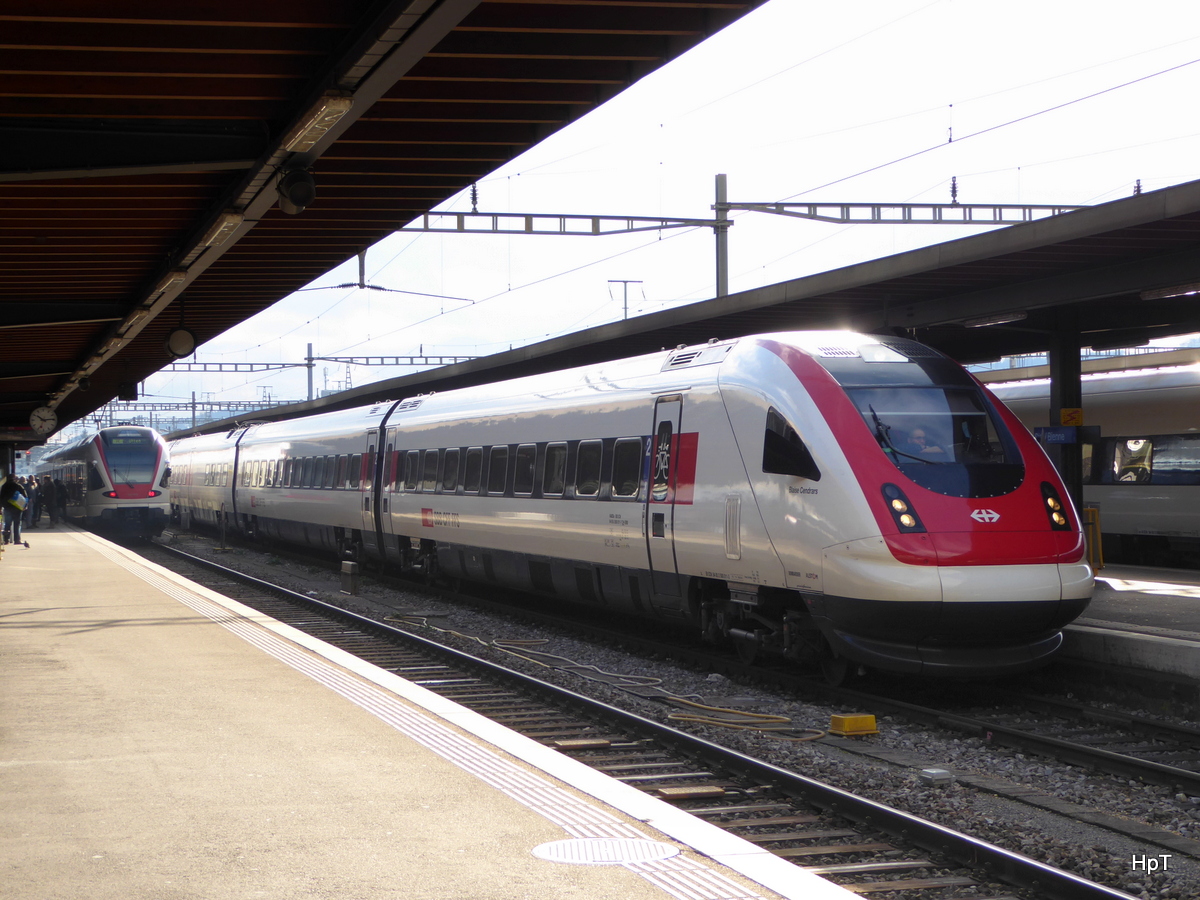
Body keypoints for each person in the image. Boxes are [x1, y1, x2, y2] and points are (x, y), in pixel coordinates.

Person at [1, 473, 28, 546]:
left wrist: (1, 507)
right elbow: (25, 496)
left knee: (7, 524)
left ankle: (6, 540)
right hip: (17, 507)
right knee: (17, 524)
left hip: (7, 507)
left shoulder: (4, 486)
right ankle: (17, 540)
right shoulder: (18, 486)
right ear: (14, 478)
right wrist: (25, 506)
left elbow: (1, 497)